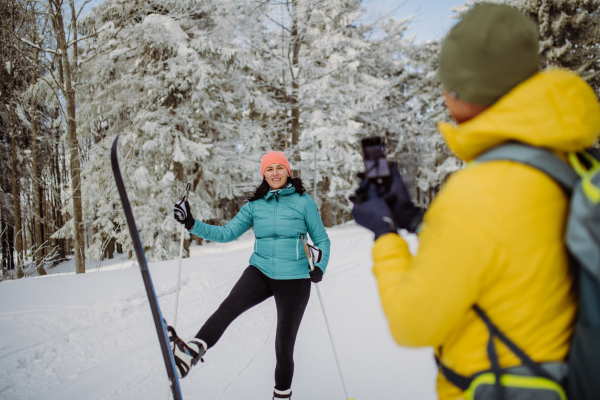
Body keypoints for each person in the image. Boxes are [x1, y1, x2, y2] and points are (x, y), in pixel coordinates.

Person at [350, 3, 600, 400]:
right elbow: (514, 249)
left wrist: (384, 234)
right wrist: (413, 219)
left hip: (502, 386)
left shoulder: (482, 191)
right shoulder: (560, 156)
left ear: (463, 93)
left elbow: (410, 322)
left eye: (448, 87)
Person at [171, 151, 330, 400]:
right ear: (263, 173)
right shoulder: (255, 204)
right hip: (261, 270)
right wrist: (191, 223)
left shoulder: (303, 201)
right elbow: (226, 233)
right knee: (228, 307)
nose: (275, 173)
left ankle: (281, 396)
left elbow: (321, 239)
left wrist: (321, 266)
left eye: (280, 168)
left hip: (295, 277)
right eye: (269, 169)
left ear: (287, 171)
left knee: (284, 344)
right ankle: (190, 352)